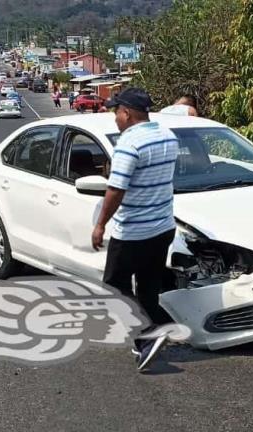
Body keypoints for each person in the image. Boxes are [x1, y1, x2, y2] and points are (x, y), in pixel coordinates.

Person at [92, 87, 180, 371]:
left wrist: (100, 224)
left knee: (114, 287)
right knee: (147, 288)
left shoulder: (129, 145)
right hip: (163, 227)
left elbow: (116, 190)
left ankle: (151, 333)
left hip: (132, 232)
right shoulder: (168, 137)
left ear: (127, 113)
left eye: (116, 112)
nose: (115, 118)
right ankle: (157, 330)